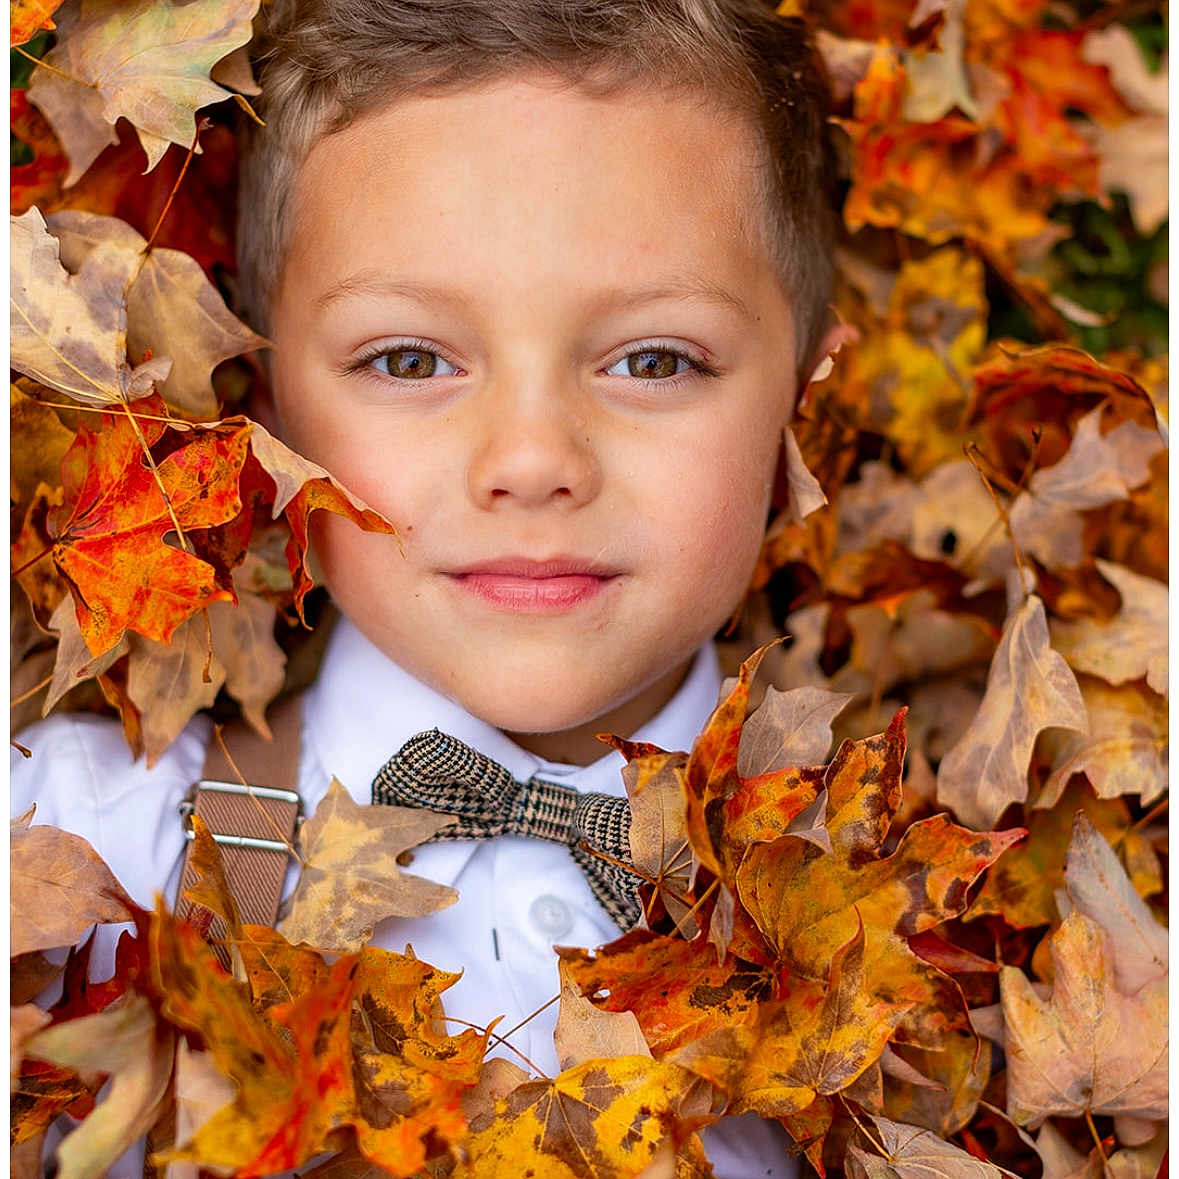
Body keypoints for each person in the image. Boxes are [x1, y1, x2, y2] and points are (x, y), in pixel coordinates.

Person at [12, 0, 846, 1174]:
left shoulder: (929, 928)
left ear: (806, 403)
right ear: (268, 407)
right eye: (409, 360)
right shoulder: (75, 856)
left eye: (654, 359)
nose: (532, 460)